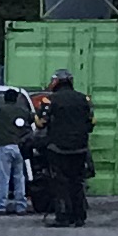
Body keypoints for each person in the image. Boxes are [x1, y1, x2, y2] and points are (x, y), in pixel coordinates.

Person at [38, 72, 96, 227]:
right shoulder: (84, 99)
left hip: (58, 148)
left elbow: (41, 123)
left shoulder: (49, 100)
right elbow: (91, 123)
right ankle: (79, 217)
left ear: (56, 82)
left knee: (60, 183)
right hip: (80, 147)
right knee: (77, 182)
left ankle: (63, 216)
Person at [0, 92, 30, 215]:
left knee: (3, 179)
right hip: (18, 148)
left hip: (4, 147)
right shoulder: (22, 111)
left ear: (4, 98)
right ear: (16, 99)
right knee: (19, 178)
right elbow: (33, 119)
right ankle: (21, 206)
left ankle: (0, 206)